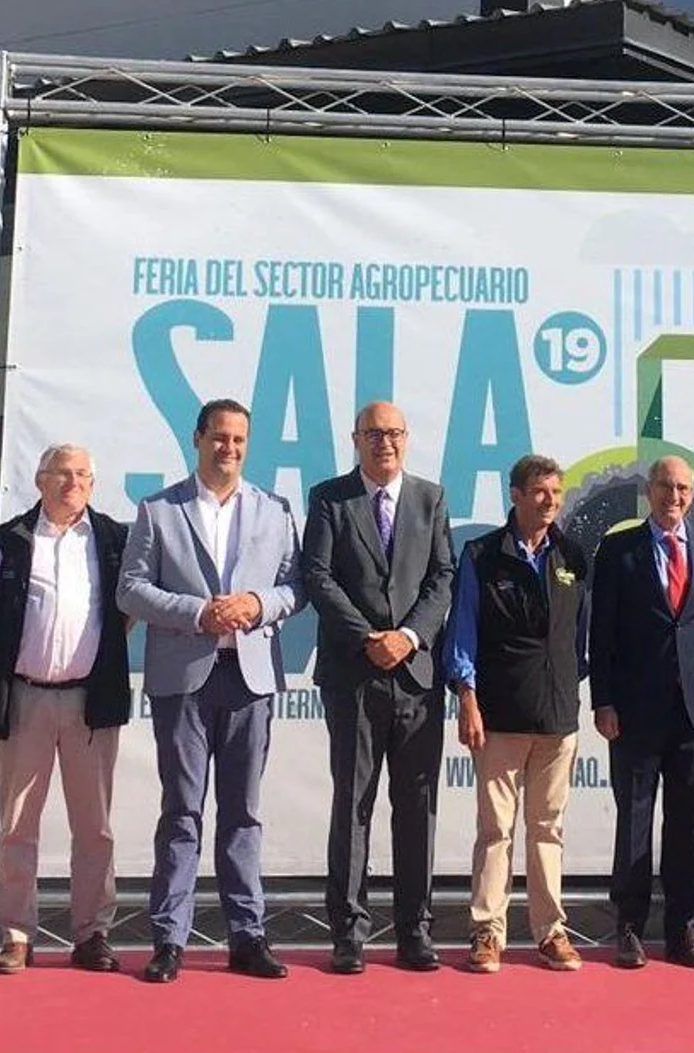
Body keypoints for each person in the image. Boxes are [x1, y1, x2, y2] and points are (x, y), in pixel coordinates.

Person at [117, 399, 306, 983]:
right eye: (219, 438)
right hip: (185, 678)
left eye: (239, 440)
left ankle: (247, 935)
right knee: (181, 812)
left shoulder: (273, 509)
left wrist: (256, 605)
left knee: (243, 813)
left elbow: (295, 587)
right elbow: (130, 589)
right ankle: (169, 939)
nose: (229, 448)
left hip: (249, 680)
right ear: (197, 440)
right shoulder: (158, 510)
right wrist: (198, 613)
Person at [301, 401, 455, 974]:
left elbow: (443, 576)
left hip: (415, 677)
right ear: (355, 439)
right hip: (354, 674)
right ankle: (349, 931)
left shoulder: (430, 498)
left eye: (393, 433)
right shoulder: (330, 498)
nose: (384, 443)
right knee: (354, 805)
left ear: (407, 439)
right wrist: (371, 636)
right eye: (373, 434)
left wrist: (410, 636)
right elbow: (316, 574)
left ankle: (415, 930)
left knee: (417, 807)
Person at [0, 443, 130, 975]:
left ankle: (92, 934)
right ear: (40, 481)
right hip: (25, 698)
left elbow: (124, 616)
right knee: (17, 824)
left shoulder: (113, 539)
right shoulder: (9, 540)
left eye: (83, 474)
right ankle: (17, 934)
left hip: (91, 699)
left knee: (95, 826)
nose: (73, 483)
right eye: (62, 474)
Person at [446, 454, 590, 974]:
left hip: (557, 720)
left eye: (557, 492)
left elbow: (582, 637)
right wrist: (468, 698)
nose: (550, 501)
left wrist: (564, 687)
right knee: (495, 831)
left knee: (547, 828)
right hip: (499, 717)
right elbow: (462, 631)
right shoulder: (482, 555)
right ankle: (488, 932)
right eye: (539, 492)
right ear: (515, 494)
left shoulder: (573, 555)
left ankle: (551, 932)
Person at [589, 454, 694, 969]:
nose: (675, 497)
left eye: (684, 489)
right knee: (634, 822)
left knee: (686, 825)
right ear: (649, 491)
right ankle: (628, 927)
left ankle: (681, 928)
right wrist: (602, 700)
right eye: (666, 487)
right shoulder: (618, 549)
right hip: (632, 711)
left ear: (692, 495)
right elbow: (599, 631)